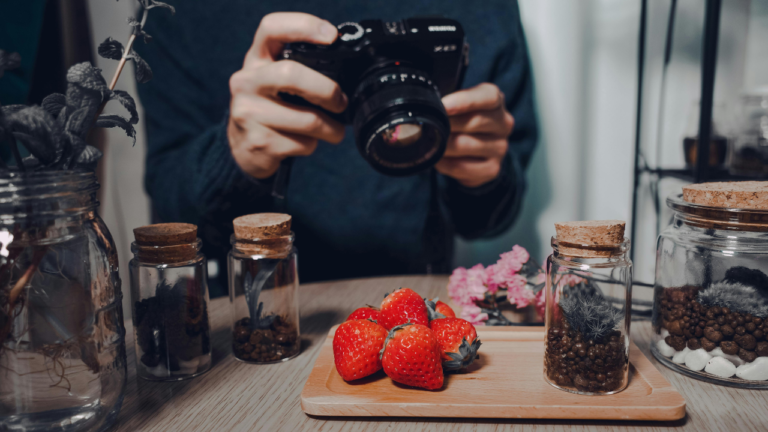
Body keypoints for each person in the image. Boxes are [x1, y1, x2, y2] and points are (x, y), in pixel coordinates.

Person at [136, 1, 538, 296]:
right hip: (252, 313)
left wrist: (483, 176)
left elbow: (488, 216)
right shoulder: (176, 11)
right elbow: (170, 216)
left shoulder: (484, 8)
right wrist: (233, 156)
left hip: (414, 300)